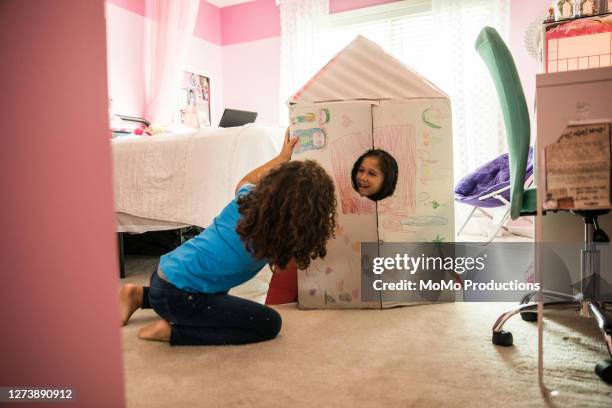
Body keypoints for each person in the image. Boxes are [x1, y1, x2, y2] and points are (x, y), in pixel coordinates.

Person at [119, 130, 337, 345]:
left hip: (162, 276)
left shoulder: (246, 199)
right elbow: (283, 266)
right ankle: (174, 332)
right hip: (179, 299)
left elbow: (245, 180)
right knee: (268, 323)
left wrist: (281, 158)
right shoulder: (276, 241)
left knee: (212, 287)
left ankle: (139, 294)